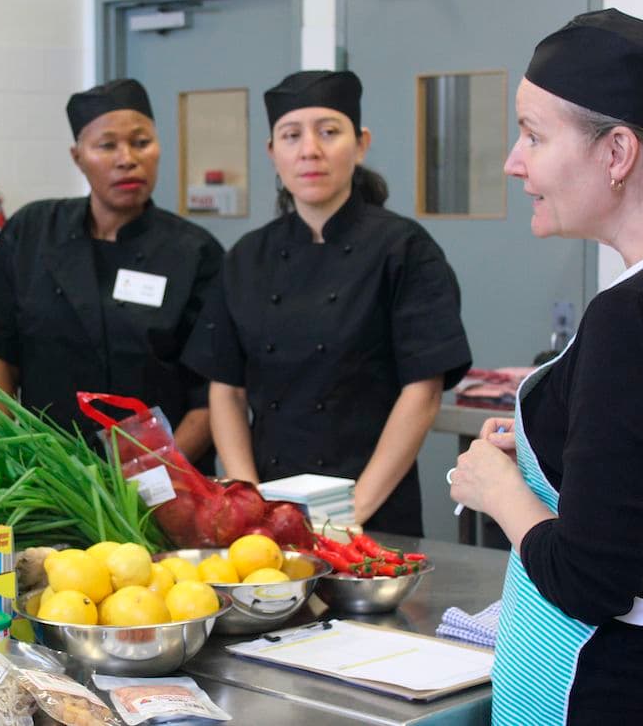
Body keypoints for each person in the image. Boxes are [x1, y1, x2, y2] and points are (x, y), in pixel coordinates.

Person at [450, 9, 643, 724]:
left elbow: (590, 579)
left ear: (616, 153)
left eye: (533, 135)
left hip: (613, 689)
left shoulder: (631, 316)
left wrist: (497, 489)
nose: (514, 161)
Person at [184, 71, 471, 534]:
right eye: (291, 135)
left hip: (373, 508)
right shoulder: (246, 258)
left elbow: (423, 391)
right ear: (272, 152)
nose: (310, 150)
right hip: (268, 510)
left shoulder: (403, 249)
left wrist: (351, 512)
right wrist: (248, 499)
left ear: (360, 144)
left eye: (329, 131)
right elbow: (227, 391)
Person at [0, 79, 223, 471]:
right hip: (46, 476)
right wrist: (3, 457)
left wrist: (156, 474)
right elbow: (2, 361)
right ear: (78, 156)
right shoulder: (31, 233)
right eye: (107, 145)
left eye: (141, 142)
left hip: (166, 484)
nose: (127, 158)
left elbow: (213, 394)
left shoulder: (196, 252)